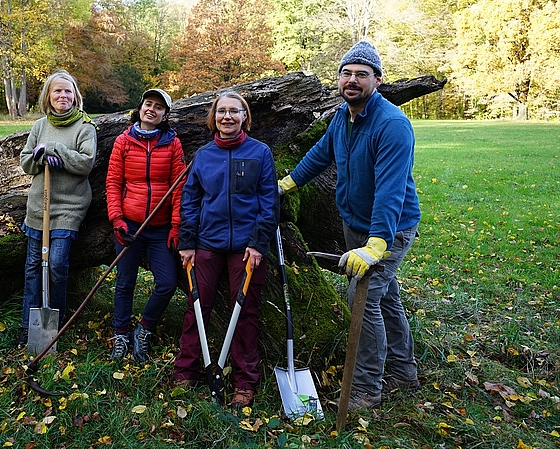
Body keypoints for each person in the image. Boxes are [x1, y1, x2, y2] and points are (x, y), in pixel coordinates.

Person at [277, 41, 421, 410]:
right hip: (356, 224)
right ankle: (404, 371)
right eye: (346, 73)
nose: (352, 80)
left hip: (389, 229)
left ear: (378, 79)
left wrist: (377, 245)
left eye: (361, 74)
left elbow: (390, 191)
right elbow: (321, 153)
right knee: (385, 297)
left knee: (361, 299)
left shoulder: (392, 125)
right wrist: (288, 184)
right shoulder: (342, 116)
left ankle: (365, 388)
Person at [174, 91, 279, 409]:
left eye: (235, 111)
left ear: (245, 116)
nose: (228, 117)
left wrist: (259, 243)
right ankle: (185, 373)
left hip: (247, 250)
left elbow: (268, 203)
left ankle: (244, 382)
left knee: (245, 313)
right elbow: (190, 200)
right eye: (222, 112)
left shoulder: (260, 153)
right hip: (207, 244)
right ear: (214, 117)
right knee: (196, 308)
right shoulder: (204, 156)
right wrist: (188, 243)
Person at [105, 88, 187, 362]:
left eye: (158, 107)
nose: (151, 109)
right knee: (125, 282)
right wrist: (117, 220)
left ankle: (144, 328)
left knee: (167, 282)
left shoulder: (173, 144)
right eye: (148, 104)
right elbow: (113, 182)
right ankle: (120, 334)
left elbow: (179, 188)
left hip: (160, 227)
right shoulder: (124, 141)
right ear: (140, 108)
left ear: (165, 115)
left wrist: (176, 226)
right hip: (128, 224)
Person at [18, 70, 97, 346]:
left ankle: (56, 325)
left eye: (68, 91)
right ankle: (29, 326)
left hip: (68, 207)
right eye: (57, 91)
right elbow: (26, 161)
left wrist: (56, 152)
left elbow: (86, 163)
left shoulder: (85, 127)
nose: (63, 96)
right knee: (32, 267)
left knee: (57, 264)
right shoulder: (40, 125)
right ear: (48, 97)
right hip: (39, 206)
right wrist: (40, 157)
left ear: (75, 96)